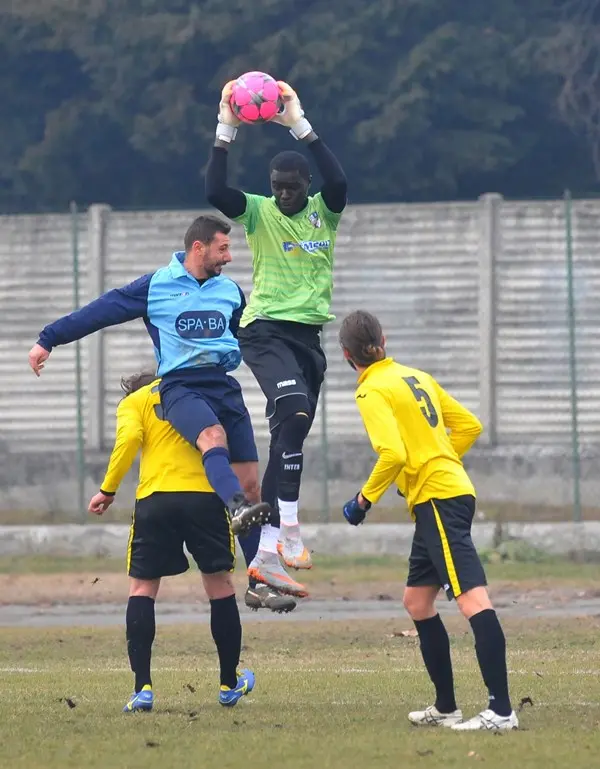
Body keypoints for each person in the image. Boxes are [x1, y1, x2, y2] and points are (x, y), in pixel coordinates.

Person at [28, 215, 270, 535]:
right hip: (180, 386)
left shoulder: (230, 291)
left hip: (224, 384)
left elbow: (248, 338)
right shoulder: (156, 285)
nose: (229, 257)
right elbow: (101, 310)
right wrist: (49, 338)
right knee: (213, 437)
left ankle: (261, 575)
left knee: (252, 487)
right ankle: (235, 506)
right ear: (199, 248)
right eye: (222, 248)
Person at [339, 310, 518, 732]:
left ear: (347, 355)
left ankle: (502, 711)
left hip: (438, 499)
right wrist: (437, 460)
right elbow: (469, 426)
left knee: (473, 599)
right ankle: (446, 706)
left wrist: (363, 501)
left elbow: (394, 455)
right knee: (417, 602)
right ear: (384, 339)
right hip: (442, 494)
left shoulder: (370, 392)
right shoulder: (414, 375)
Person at [206, 79, 347, 582]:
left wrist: (300, 124)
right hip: (264, 330)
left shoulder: (322, 215)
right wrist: (226, 127)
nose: (284, 194)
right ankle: (289, 525)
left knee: (292, 432)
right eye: (278, 186)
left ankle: (267, 548)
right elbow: (214, 191)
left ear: (305, 185)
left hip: (309, 339)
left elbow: (340, 182)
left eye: (292, 186)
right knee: (293, 410)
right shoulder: (258, 212)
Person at [88, 370, 256, 712]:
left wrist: (108, 489)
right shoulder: (197, 393)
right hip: (205, 498)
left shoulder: (135, 403)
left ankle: (142, 688)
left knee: (142, 590)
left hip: (155, 500)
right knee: (220, 586)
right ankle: (228, 683)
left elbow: (128, 441)